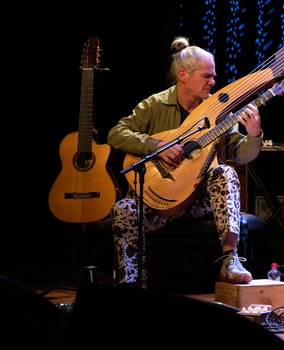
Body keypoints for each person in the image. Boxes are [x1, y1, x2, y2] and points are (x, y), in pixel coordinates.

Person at [107, 37, 264, 286]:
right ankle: (132, 284)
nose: (213, 82)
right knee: (122, 210)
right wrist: (156, 146)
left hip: (198, 199)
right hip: (158, 200)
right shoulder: (156, 104)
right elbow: (117, 133)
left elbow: (238, 152)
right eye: (207, 76)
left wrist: (254, 135)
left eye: (213, 76)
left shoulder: (219, 110)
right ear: (183, 75)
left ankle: (230, 261)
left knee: (225, 172)